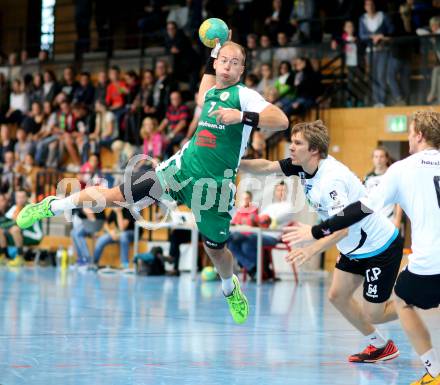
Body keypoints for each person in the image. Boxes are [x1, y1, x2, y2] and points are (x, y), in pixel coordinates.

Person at [16, 37, 289, 325]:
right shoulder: (209, 94)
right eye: (223, 60)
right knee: (115, 196)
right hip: (178, 172)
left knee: (216, 250)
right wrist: (215, 48)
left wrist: (241, 117)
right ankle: (54, 205)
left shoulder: (244, 95)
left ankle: (229, 288)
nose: (228, 66)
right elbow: (202, 92)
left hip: (215, 189)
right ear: (217, 63)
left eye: (235, 63)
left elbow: (281, 120)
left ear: (242, 70)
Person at [285, 111, 440, 385]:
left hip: (420, 257)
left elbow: (363, 209)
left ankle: (435, 372)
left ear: (418, 135)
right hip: (372, 250)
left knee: (403, 301)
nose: (408, 138)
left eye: (409, 133)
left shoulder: (403, 168)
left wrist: (316, 232)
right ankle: (383, 346)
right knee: (341, 296)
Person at [240, 120, 402, 361]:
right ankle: (380, 345)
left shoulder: (331, 181)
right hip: (354, 248)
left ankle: (420, 297)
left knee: (375, 313)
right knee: (337, 296)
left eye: (297, 143)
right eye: (292, 142)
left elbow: (342, 228)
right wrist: (232, 163)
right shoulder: (302, 166)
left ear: (314, 150)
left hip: (379, 246)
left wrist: (312, 247)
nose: (291, 148)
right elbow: (265, 166)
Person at [364, 146, 402, 228]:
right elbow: (366, 200)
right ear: (373, 159)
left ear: (386, 159)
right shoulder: (368, 177)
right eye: (376, 157)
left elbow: (399, 201)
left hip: (389, 220)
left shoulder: (393, 175)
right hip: (373, 221)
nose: (378, 159)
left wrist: (397, 220)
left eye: (381, 156)